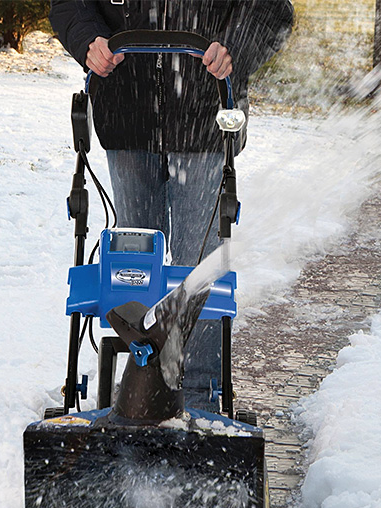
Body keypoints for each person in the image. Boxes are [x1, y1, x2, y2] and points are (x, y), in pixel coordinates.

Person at [51, 0, 294, 411]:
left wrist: (234, 48)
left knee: (197, 268)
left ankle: (197, 396)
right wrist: (88, 39)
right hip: (127, 114)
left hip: (204, 116)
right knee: (132, 269)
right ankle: (138, 392)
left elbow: (272, 9)